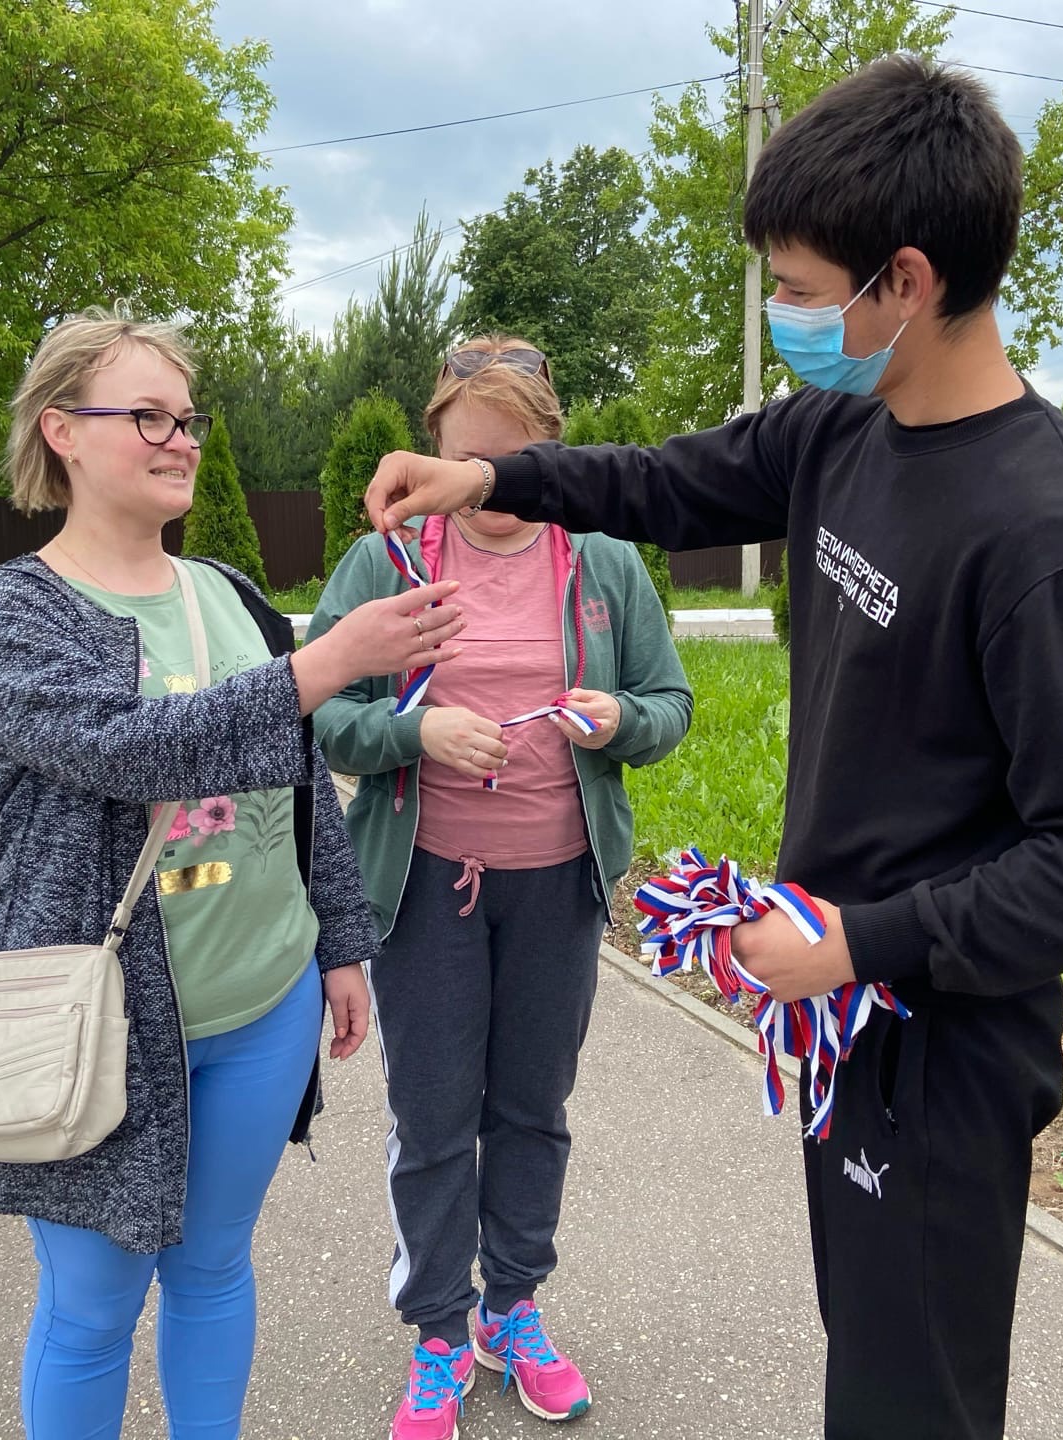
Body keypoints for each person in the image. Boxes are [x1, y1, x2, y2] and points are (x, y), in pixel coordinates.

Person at [362, 58, 1063, 1440]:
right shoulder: (848, 424)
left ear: (907, 281)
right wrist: (491, 476)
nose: (789, 318)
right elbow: (671, 481)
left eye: (804, 290)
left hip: (938, 1042)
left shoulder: (1042, 536)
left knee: (907, 1398)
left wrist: (866, 943)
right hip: (840, 1006)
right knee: (862, 1354)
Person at [0, 307, 468, 1439]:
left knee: (215, 1267)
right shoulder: (14, 612)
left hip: (262, 1003)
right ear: (63, 433)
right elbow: (122, 748)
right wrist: (328, 664)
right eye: (145, 416)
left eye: (185, 418)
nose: (180, 438)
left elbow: (293, 784)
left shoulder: (227, 593)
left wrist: (338, 944)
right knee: (91, 1307)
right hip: (95, 1021)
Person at [309, 336, 692, 1439]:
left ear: (549, 455)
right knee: (434, 1116)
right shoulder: (386, 561)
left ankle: (511, 1309)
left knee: (532, 1111)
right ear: (433, 449)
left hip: (558, 890)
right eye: (469, 460)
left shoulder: (602, 562)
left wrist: (621, 720)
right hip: (426, 889)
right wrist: (415, 728)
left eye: (513, 463)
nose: (492, 488)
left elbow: (668, 703)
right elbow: (323, 708)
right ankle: (437, 1328)